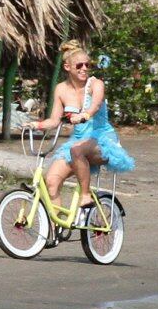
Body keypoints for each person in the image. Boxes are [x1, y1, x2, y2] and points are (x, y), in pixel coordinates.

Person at [28, 40, 134, 208]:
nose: (84, 68)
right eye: (79, 65)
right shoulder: (61, 89)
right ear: (67, 67)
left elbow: (96, 105)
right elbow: (54, 120)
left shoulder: (95, 84)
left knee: (76, 150)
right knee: (51, 181)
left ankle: (85, 195)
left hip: (101, 138)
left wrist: (84, 115)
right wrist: (36, 125)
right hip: (77, 140)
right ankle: (57, 229)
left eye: (87, 65)